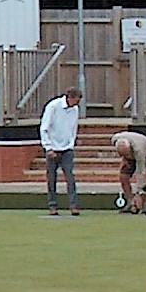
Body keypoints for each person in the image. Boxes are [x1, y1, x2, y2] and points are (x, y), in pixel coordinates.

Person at [38, 87, 83, 215]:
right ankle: (53, 206)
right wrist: (48, 147)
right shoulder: (53, 106)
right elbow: (44, 128)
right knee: (51, 179)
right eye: (75, 100)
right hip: (53, 148)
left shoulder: (75, 109)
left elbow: (73, 128)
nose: (76, 104)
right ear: (69, 97)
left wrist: (71, 144)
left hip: (67, 149)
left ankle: (73, 206)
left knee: (70, 178)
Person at [113, 128, 146, 216]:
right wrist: (124, 158)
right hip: (131, 155)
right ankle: (130, 203)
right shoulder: (115, 139)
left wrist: (138, 193)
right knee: (123, 176)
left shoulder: (139, 150)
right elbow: (122, 153)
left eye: (126, 154)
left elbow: (140, 172)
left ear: (130, 148)